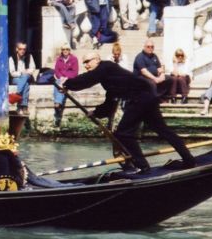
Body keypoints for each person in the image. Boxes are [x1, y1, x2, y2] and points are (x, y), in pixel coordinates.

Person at [62, 52, 196, 172]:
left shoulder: (105, 66)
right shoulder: (107, 76)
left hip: (141, 98)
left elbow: (87, 79)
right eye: (84, 63)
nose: (85, 65)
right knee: (163, 130)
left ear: (97, 59)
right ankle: (189, 160)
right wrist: (96, 112)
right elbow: (111, 100)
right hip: (147, 97)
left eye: (87, 61)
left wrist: (67, 84)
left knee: (123, 134)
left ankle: (142, 166)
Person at [52, 43, 78, 127]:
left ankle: (57, 104)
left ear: (69, 51)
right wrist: (61, 77)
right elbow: (56, 71)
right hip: (60, 79)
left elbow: (75, 72)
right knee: (58, 84)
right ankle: (58, 105)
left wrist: (66, 77)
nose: (65, 51)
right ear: (62, 51)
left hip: (69, 79)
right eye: (63, 50)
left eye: (67, 49)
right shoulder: (59, 59)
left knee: (60, 84)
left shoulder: (74, 59)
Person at [9, 42, 36, 114]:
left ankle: (18, 93)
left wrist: (26, 72)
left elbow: (32, 68)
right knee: (26, 84)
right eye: (20, 49)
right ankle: (24, 106)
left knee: (25, 77)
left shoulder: (29, 56)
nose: (22, 51)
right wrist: (21, 73)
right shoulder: (12, 58)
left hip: (27, 76)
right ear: (17, 49)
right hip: (16, 78)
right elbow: (12, 73)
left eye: (24, 49)